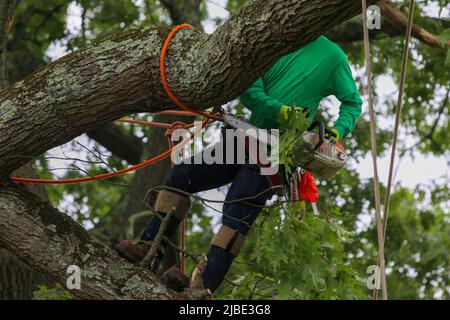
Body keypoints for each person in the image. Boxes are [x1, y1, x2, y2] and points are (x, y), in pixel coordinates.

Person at [115, 35, 362, 294]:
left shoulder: (333, 56)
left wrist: (337, 132)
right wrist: (280, 111)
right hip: (245, 137)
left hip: (279, 154)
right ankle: (150, 248)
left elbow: (352, 102)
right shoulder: (275, 38)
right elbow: (250, 92)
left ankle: (201, 286)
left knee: (236, 210)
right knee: (183, 175)